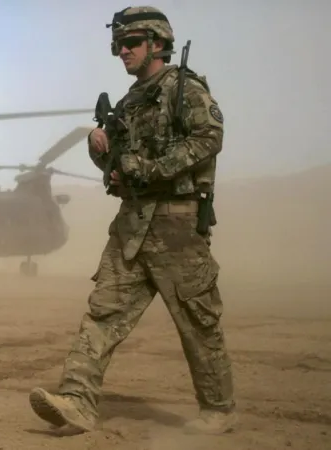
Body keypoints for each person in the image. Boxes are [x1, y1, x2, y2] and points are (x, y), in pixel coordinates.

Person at [28, 6, 237, 436]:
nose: (122, 51)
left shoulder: (184, 89)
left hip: (177, 225)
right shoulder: (129, 103)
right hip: (132, 225)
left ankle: (219, 409)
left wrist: (149, 169)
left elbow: (209, 138)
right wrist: (100, 149)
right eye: (118, 45)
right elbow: (118, 166)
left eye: (131, 43)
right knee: (102, 314)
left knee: (197, 321)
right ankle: (77, 401)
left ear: (157, 43)